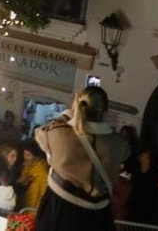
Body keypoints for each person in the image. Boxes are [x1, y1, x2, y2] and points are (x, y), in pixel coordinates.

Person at [31, 86, 129, 231]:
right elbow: (125, 154)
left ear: (77, 103)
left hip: (59, 211)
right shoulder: (119, 144)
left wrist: (67, 115)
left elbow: (39, 134)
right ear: (105, 111)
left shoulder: (59, 134)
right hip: (98, 218)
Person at [16, 141, 49, 212]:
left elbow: (44, 196)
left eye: (29, 155)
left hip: (32, 211)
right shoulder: (26, 166)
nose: (26, 157)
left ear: (36, 156)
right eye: (24, 154)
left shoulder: (43, 172)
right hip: (23, 208)